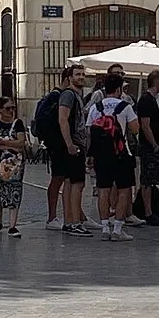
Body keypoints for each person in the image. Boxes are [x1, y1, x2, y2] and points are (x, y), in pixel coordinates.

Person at [86, 74, 141, 241]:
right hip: (121, 154)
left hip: (101, 155)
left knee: (103, 190)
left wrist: (90, 154)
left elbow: (89, 132)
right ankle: (117, 229)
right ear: (118, 89)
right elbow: (135, 129)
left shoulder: (96, 107)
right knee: (124, 191)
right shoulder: (125, 106)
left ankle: (104, 228)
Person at [56, 64, 94, 237]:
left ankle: (69, 221)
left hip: (74, 144)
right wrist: (70, 144)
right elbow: (62, 119)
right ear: (70, 78)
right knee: (77, 183)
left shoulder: (76, 95)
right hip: (73, 145)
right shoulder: (69, 95)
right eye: (77, 74)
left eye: (82, 74)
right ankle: (74, 222)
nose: (81, 77)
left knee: (70, 183)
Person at [0, 96, 27, 237]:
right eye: (8, 108)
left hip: (14, 164)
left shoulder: (18, 123)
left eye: (13, 107)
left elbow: (21, 142)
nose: (11, 111)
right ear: (0, 109)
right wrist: (10, 145)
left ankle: (12, 225)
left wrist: (2, 142)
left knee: (14, 190)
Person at [135, 70, 159, 226]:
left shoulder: (151, 100)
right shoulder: (146, 101)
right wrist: (154, 144)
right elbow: (145, 125)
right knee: (147, 179)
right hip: (148, 146)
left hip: (152, 144)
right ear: (157, 82)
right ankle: (147, 211)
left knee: (151, 178)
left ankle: (148, 209)